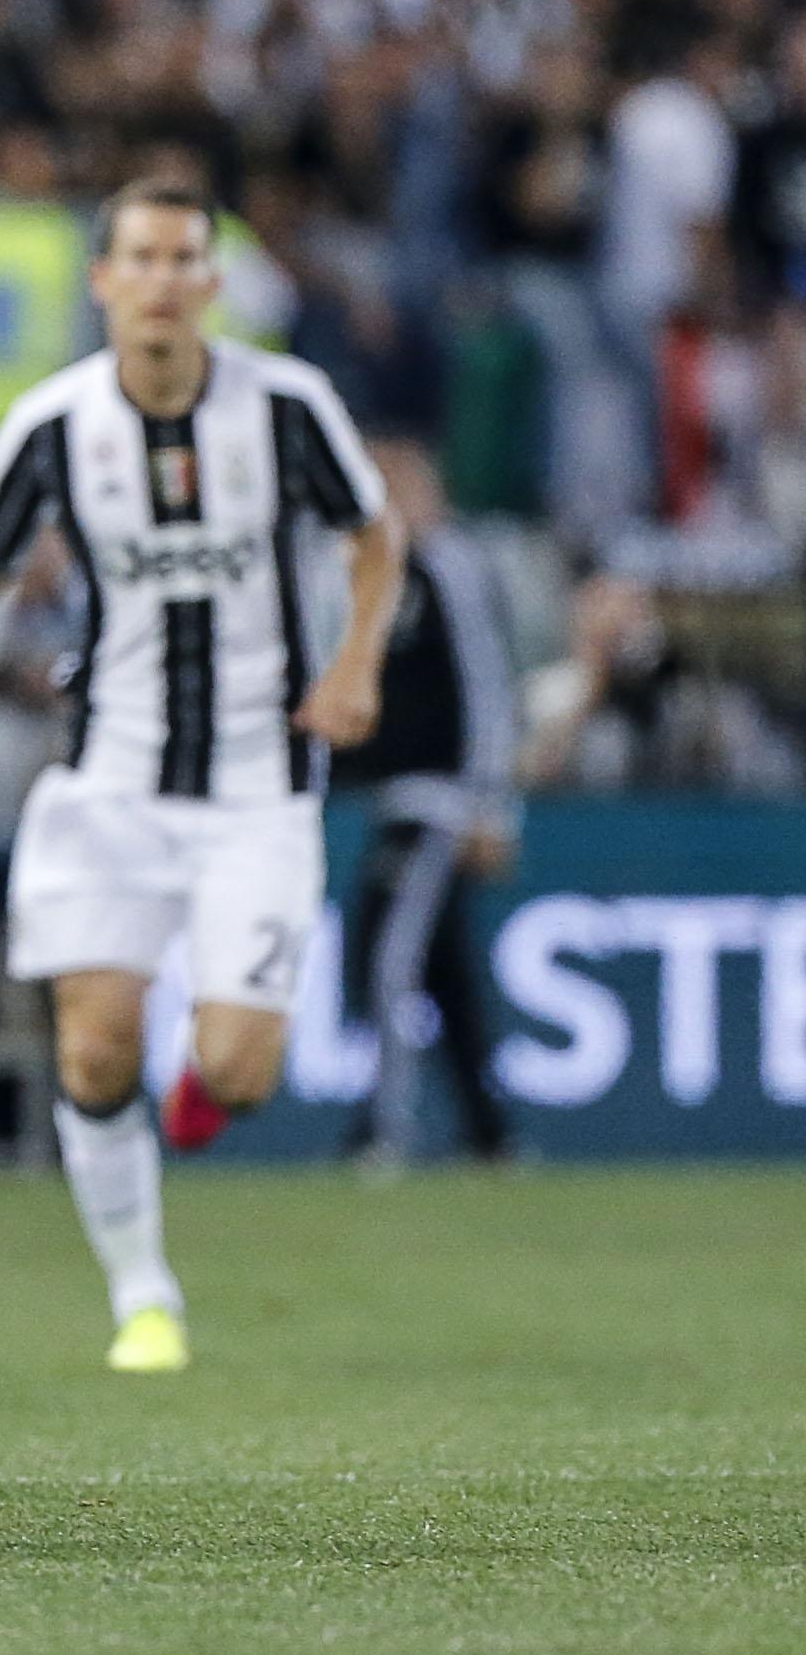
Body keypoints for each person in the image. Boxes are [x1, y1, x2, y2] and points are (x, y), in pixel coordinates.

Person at [0, 179, 403, 1375]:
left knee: (241, 1070)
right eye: (142, 259)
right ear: (103, 281)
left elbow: (375, 536)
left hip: (260, 785)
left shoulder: (286, 408)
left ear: (212, 282)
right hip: (108, 780)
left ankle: (203, 1094)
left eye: (183, 259)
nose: (163, 280)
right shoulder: (55, 424)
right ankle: (143, 1294)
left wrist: (356, 664)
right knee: (94, 1051)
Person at [330, 436, 520, 1164]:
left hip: (440, 800)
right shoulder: (377, 574)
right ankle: (489, 1132)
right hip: (397, 798)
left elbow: (485, 682)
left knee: (388, 959)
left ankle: (384, 1127)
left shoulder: (448, 565)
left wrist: (490, 804)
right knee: (444, 973)